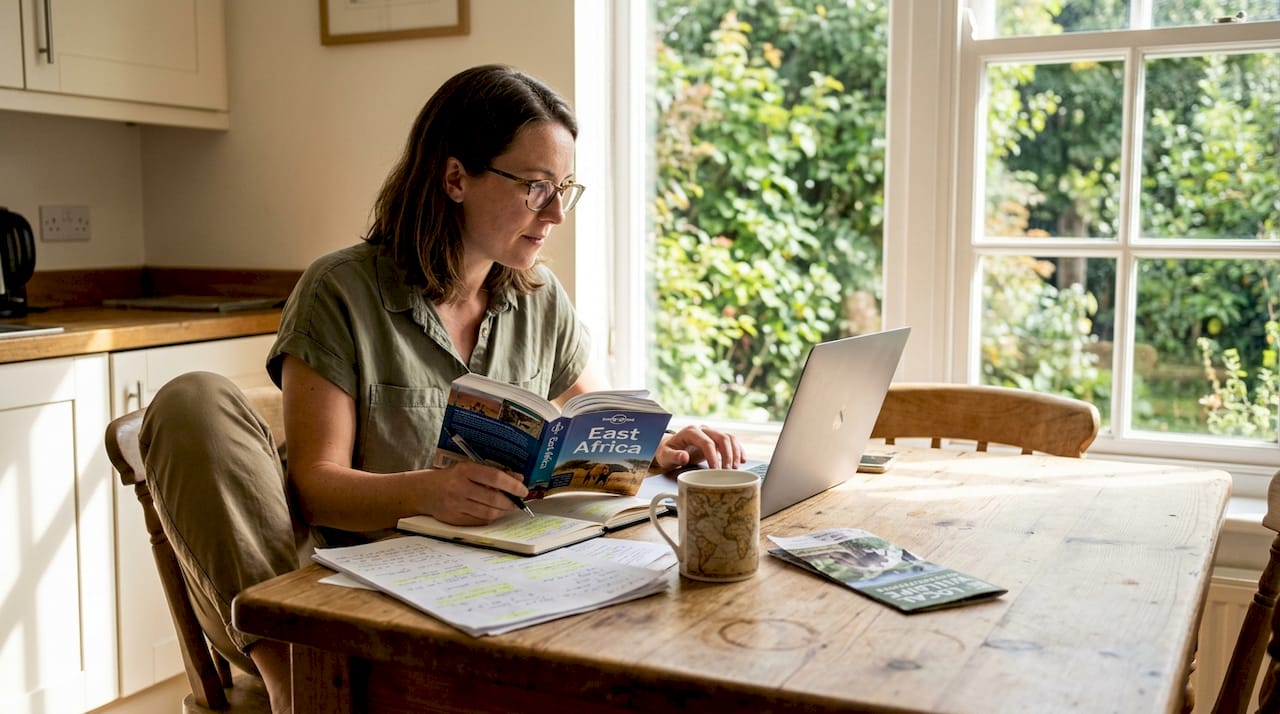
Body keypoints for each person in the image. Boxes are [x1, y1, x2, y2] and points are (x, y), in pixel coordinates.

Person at [139, 64, 743, 714]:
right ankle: (289, 670)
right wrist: (427, 492)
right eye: (538, 187)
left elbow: (592, 421)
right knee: (190, 397)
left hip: (511, 580)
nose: (558, 213)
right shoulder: (339, 291)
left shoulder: (540, 299)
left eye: (565, 188)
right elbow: (317, 486)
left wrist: (658, 444)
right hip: (371, 592)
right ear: (456, 178)